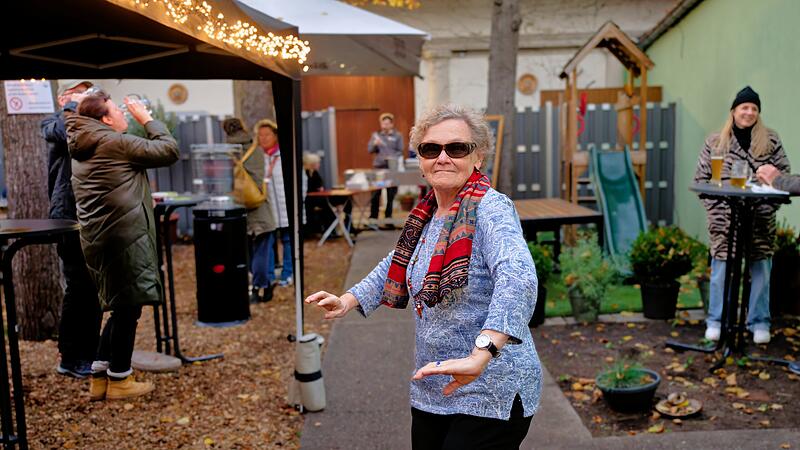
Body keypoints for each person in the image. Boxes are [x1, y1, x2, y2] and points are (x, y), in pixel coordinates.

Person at [306, 104, 541, 449]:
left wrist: (482, 352)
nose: (442, 157)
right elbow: (398, 260)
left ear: (478, 157)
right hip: (434, 386)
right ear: (420, 159)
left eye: (456, 148)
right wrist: (347, 299)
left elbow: (518, 277)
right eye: (431, 149)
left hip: (492, 387)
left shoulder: (491, 208)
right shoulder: (430, 211)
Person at [65, 90, 179, 400]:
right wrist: (147, 118)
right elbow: (168, 150)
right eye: (118, 111)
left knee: (119, 306)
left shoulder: (84, 144)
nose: (124, 115)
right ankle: (120, 379)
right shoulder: (115, 143)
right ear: (104, 119)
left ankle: (99, 376)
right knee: (129, 309)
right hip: (123, 236)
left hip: (99, 236)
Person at [693, 86, 790, 345]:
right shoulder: (715, 141)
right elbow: (701, 180)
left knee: (761, 267)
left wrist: (768, 208)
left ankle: (759, 322)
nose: (749, 112)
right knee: (722, 269)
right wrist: (717, 212)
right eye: (744, 107)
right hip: (725, 218)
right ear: (734, 111)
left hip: (760, 217)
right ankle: (716, 321)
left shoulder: (771, 140)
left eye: (754, 108)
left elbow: (784, 177)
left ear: (758, 113)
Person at [40, 80, 102, 379]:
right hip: (68, 216)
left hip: (95, 214)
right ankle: (70, 356)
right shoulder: (54, 122)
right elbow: (66, 134)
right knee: (78, 287)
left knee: (94, 287)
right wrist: (72, 107)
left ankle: (90, 353)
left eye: (86, 91)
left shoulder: (91, 123)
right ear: (63, 97)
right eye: (77, 91)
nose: (82, 96)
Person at [222, 118, 278, 304]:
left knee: (248, 254)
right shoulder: (256, 149)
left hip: (238, 210)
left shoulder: (226, 153)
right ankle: (260, 287)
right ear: (244, 128)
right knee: (262, 251)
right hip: (260, 207)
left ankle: (254, 286)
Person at [255, 119, 293, 287]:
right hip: (267, 210)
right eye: (260, 135)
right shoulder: (257, 158)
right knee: (267, 243)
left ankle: (287, 274)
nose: (263, 138)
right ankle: (268, 277)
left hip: (285, 208)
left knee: (288, 241)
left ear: (276, 135)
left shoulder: (286, 154)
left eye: (267, 134)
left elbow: (301, 180)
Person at [368, 112, 403, 228]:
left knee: (391, 194)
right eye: (383, 123)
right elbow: (370, 150)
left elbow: (400, 150)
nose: (385, 125)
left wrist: (392, 156)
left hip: (392, 169)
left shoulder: (397, 136)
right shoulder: (376, 135)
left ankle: (388, 218)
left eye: (387, 123)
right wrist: (374, 144)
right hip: (379, 168)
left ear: (391, 124)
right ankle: (373, 219)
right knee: (376, 193)